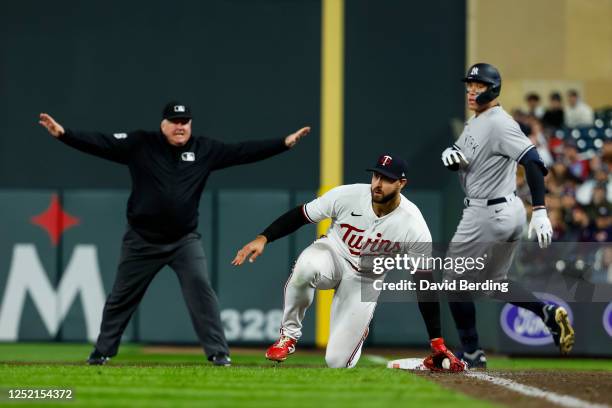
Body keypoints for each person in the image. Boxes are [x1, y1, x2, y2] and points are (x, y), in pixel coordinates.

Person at [38, 102, 310, 366]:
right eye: (175, 121)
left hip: (183, 241)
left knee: (202, 294)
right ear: (163, 124)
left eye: (185, 122)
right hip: (141, 241)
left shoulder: (205, 149)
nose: (180, 126)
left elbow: (243, 151)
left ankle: (218, 354)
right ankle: (102, 352)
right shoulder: (141, 144)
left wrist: (283, 143)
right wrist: (64, 134)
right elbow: (101, 143)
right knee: (120, 298)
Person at [232, 154, 465, 371]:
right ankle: (289, 336)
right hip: (333, 254)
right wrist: (264, 238)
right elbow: (301, 215)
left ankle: (357, 331)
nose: (378, 183)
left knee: (336, 363)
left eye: (387, 179)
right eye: (376, 175)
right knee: (306, 268)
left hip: (366, 279)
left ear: (402, 183)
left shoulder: (413, 225)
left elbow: (423, 283)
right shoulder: (348, 195)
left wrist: (437, 340)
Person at [440, 63, 575, 368]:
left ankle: (472, 351)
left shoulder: (500, 122)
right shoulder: (477, 121)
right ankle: (546, 313)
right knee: (492, 282)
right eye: (470, 85)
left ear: (494, 89)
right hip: (503, 209)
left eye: (479, 85)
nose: (472, 90)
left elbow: (534, 161)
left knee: (453, 283)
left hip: (487, 211)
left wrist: (540, 210)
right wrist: (454, 158)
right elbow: (466, 158)